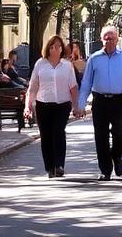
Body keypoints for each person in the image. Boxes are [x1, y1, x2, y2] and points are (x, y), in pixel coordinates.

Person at [76, 25, 122, 180]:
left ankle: (117, 155)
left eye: (112, 38)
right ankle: (105, 170)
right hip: (99, 100)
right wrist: (81, 105)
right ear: (101, 40)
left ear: (117, 39)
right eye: (106, 38)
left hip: (119, 100)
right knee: (101, 136)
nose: (109, 41)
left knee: (120, 134)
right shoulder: (94, 59)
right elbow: (86, 83)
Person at [25, 35, 79, 178]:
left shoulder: (67, 65)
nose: (56, 48)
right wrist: (28, 105)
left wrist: (76, 106)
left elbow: (73, 87)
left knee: (59, 132)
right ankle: (50, 167)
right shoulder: (40, 64)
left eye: (59, 46)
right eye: (53, 46)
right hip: (43, 104)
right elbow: (33, 86)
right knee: (46, 135)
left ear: (62, 49)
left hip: (62, 104)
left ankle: (59, 165)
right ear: (48, 48)